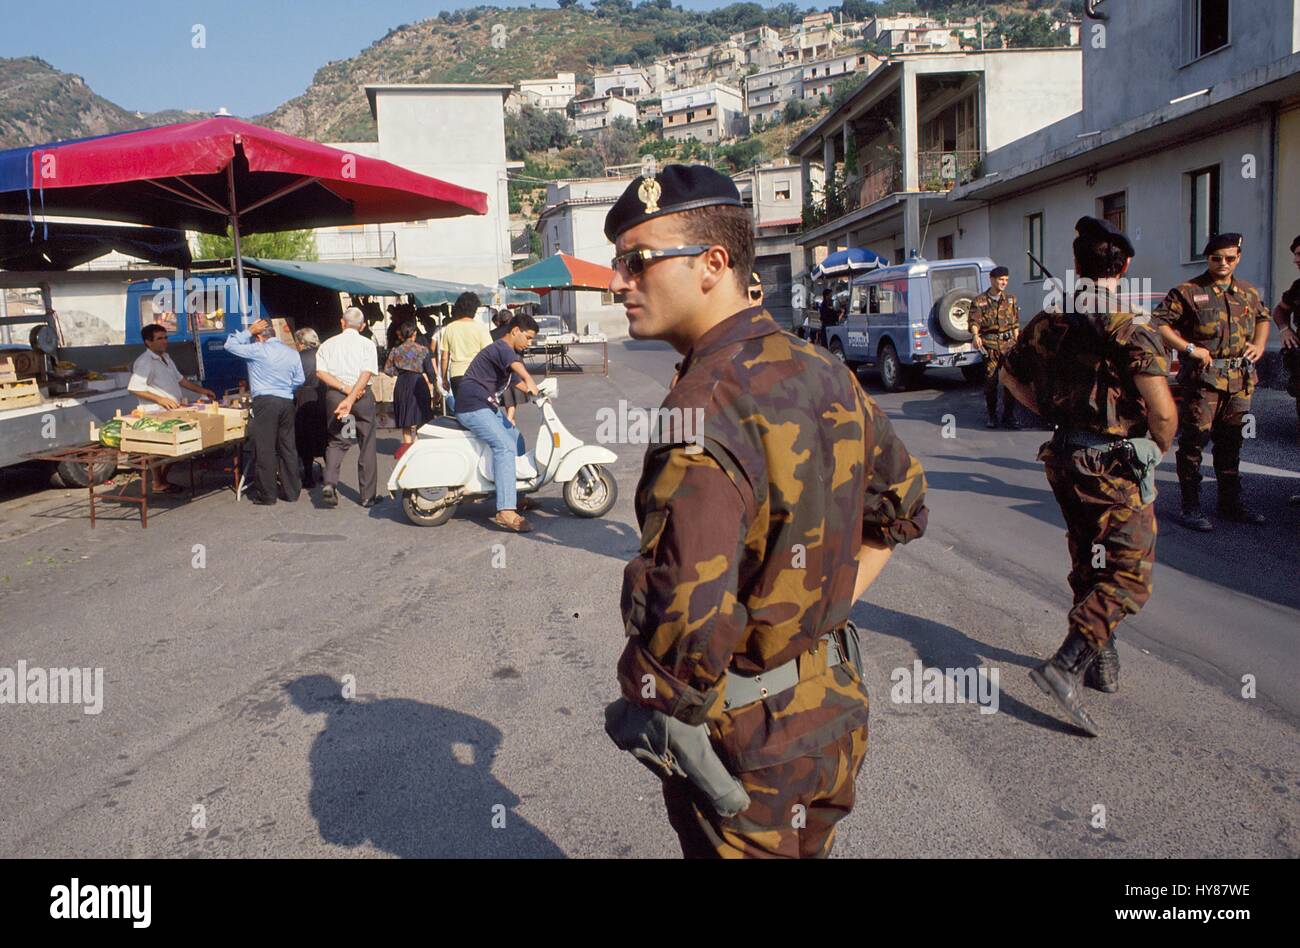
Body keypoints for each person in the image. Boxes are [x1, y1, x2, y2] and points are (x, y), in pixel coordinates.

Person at [604, 164, 928, 858]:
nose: (617, 282)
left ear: (712, 264)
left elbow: (682, 627)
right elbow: (901, 508)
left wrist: (650, 696)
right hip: (830, 709)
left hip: (746, 742)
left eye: (637, 262)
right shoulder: (822, 367)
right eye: (617, 263)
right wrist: (812, 613)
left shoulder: (702, 409)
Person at [1001, 217, 1177, 736]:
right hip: (1113, 465)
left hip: (1064, 458)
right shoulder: (1128, 327)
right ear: (1122, 267)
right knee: (1129, 573)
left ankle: (1100, 653)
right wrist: (1154, 450)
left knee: (1088, 555)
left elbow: (1009, 372)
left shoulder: (1050, 318)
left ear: (1076, 264)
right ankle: (1066, 665)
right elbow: (1162, 413)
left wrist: (1050, 414)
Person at [1153, 233, 1271, 531]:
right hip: (1203, 380)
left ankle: (1230, 503)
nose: (1223, 264)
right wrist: (1189, 349)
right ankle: (1190, 506)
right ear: (1208, 258)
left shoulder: (1248, 291)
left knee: (1231, 441)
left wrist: (1258, 345)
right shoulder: (1188, 291)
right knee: (1195, 441)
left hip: (1239, 379)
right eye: (1216, 258)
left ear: (1238, 258)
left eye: (1230, 258)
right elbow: (1159, 324)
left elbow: (1263, 317)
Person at [455, 314, 541, 532]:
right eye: (528, 338)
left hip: (486, 406)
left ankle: (518, 497)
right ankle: (505, 510)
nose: (529, 343)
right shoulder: (502, 348)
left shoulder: (506, 355)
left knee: (517, 439)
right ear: (515, 331)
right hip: (472, 406)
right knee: (504, 445)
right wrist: (530, 380)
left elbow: (516, 381)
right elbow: (518, 369)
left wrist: (538, 392)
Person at [223, 318, 306, 505]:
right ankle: (292, 492)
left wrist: (248, 331)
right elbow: (300, 379)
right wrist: (285, 389)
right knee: (287, 447)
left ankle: (267, 495)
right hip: (286, 400)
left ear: (259, 336)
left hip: (265, 402)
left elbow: (229, 345)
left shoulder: (258, 349)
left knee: (265, 448)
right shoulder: (291, 353)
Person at [128, 323, 216, 493]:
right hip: (154, 412)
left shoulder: (166, 358)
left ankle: (160, 482)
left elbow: (181, 380)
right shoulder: (145, 362)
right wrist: (160, 399)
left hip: (171, 411)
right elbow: (135, 387)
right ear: (148, 342)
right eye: (159, 339)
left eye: (165, 337)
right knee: (162, 449)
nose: (164, 342)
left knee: (176, 448)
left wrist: (202, 390)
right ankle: (159, 482)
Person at [315, 307, 381, 509]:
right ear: (362, 326)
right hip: (361, 396)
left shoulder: (327, 345)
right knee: (366, 442)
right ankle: (367, 496)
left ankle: (330, 482)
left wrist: (344, 389)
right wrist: (353, 395)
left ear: (342, 323)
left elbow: (320, 373)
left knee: (337, 440)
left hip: (335, 395)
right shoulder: (367, 344)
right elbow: (366, 373)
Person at [969, 265, 1021, 428]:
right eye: (1000, 279)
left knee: (1010, 383)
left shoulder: (1011, 299)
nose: (1004, 283)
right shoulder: (979, 301)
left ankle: (1009, 416)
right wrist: (975, 335)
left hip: (1008, 346)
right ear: (992, 280)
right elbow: (974, 322)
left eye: (1006, 280)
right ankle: (992, 415)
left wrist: (1018, 340)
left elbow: (1015, 323)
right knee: (991, 383)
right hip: (990, 346)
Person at [384, 320, 437, 445]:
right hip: (419, 383)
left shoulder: (396, 350)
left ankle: (407, 445)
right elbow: (430, 372)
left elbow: (387, 369)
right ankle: (417, 444)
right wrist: (435, 386)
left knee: (405, 417)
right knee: (421, 415)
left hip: (402, 384)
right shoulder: (423, 350)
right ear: (414, 334)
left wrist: (399, 373)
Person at [440, 292, 494, 405]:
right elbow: (489, 354)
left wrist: (444, 378)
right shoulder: (480, 328)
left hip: (456, 375)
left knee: (462, 408)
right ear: (475, 309)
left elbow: (444, 357)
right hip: (477, 375)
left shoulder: (450, 328)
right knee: (477, 408)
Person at [293, 327, 328, 489]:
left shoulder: (297, 358)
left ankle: (308, 476)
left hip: (303, 397)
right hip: (323, 395)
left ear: (301, 342)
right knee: (325, 435)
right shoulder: (324, 353)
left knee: (304, 437)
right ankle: (330, 474)